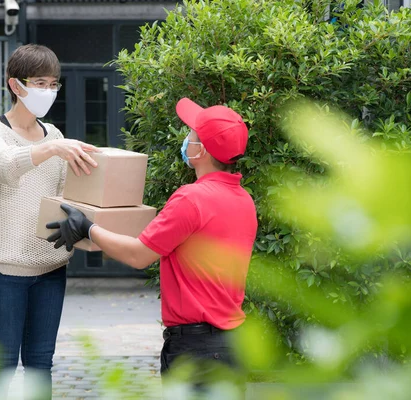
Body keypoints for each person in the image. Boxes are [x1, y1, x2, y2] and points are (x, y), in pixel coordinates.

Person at [46, 98, 258, 391]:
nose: (186, 139)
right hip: (233, 343)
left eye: (192, 135)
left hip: (196, 351)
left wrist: (88, 228)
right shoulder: (243, 200)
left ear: (202, 151)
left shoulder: (192, 199)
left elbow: (139, 255)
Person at [0, 43, 99, 400]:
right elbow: (4, 167)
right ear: (16, 85)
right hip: (3, 270)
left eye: (54, 84)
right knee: (2, 365)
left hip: (50, 268)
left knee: (41, 363)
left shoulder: (55, 135)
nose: (49, 91)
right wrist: (54, 150)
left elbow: (61, 198)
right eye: (40, 83)